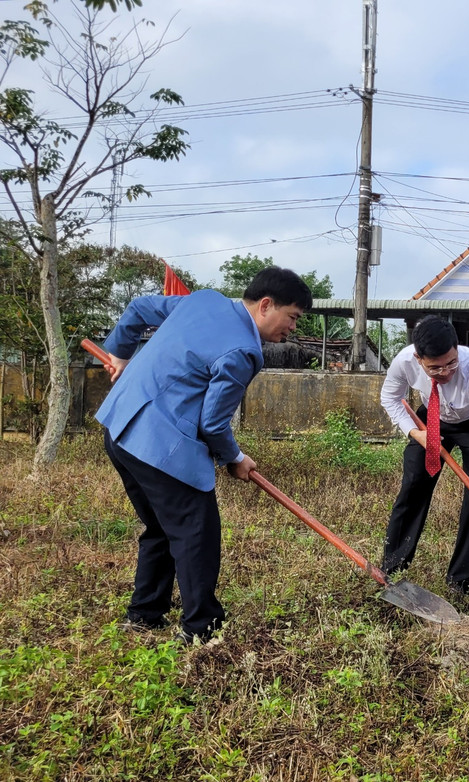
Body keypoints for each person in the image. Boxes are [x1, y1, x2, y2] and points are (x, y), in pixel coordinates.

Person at [97, 267, 313, 643]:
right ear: (266, 305)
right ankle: (202, 629)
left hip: (119, 429)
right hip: (158, 446)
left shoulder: (203, 301)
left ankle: (144, 614)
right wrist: (235, 458)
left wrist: (120, 354)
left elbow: (138, 308)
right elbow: (213, 424)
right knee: (196, 534)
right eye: (292, 317)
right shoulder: (244, 351)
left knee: (162, 527)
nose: (293, 328)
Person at [379, 316, 469, 596]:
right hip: (430, 420)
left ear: (456, 349)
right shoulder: (404, 361)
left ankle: (460, 581)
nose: (445, 372)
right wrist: (416, 434)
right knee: (413, 486)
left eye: (451, 363)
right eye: (435, 368)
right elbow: (390, 398)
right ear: (419, 359)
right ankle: (391, 570)